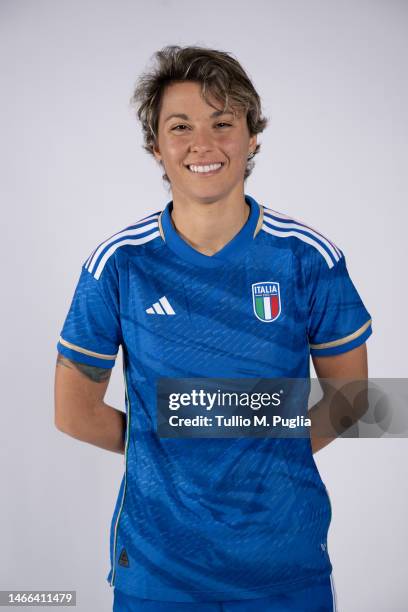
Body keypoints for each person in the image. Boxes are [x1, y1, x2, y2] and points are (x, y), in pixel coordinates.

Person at [54, 45, 372, 611]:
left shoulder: (307, 259)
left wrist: (261, 441)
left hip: (284, 563)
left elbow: (351, 399)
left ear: (252, 137)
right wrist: (167, 449)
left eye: (223, 122)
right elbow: (73, 411)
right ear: (157, 146)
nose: (203, 143)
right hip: (157, 568)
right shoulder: (120, 264)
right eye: (181, 127)